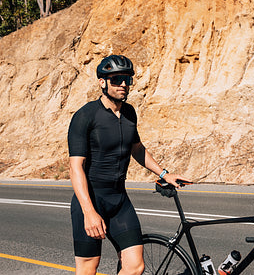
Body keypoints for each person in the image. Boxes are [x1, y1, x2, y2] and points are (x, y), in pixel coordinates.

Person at [68, 54, 190, 275]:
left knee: (135, 266)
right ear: (102, 82)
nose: (123, 84)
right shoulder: (85, 116)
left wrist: (164, 173)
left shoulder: (129, 112)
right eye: (116, 80)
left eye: (127, 79)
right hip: (91, 198)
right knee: (88, 268)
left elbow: (137, 148)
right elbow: (75, 167)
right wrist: (89, 211)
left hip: (119, 200)